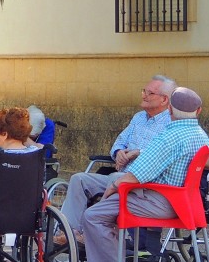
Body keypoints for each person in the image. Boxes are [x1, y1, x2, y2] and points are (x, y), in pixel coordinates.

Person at [81, 87, 209, 262]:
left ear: (170, 110)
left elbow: (136, 175)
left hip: (159, 201)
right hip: (185, 204)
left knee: (92, 215)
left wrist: (112, 188)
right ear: (198, 111)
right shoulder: (202, 136)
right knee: (109, 208)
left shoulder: (168, 137)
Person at [59, 74, 175, 243]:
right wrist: (119, 152)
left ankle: (90, 233)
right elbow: (119, 142)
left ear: (164, 99)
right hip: (121, 175)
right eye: (143, 91)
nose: (143, 95)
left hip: (143, 182)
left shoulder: (171, 122)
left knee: (116, 178)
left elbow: (164, 153)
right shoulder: (138, 117)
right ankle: (69, 234)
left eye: (149, 93)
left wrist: (138, 152)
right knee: (79, 179)